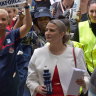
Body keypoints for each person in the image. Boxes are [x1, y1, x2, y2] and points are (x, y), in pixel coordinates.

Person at [26, 19, 90, 96]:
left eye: (52, 30)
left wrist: (83, 82)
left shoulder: (76, 52)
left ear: (61, 34)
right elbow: (30, 80)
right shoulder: (37, 53)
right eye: (46, 30)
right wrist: (37, 87)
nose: (47, 33)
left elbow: (86, 77)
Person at [0, 1, 32, 96]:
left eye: (3, 19)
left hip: (9, 85)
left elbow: (27, 26)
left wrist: (26, 8)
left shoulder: (12, 35)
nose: (0, 22)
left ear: (8, 21)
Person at [73, 0, 96, 75]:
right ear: (87, 12)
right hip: (86, 72)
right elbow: (75, 51)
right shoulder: (81, 26)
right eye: (91, 11)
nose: (94, 14)